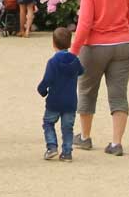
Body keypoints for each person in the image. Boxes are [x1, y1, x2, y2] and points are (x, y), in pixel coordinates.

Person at [69, 0, 129, 157]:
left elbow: (85, 23)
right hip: (124, 45)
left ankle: (85, 137)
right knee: (118, 94)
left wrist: (73, 51)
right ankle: (116, 143)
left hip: (96, 46)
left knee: (87, 90)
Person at [38, 27, 84, 162]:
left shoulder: (53, 62)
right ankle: (67, 152)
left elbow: (47, 80)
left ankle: (52, 147)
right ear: (70, 43)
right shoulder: (74, 60)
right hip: (70, 101)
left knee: (48, 123)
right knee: (67, 127)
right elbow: (81, 71)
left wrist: (42, 90)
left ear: (53, 43)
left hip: (54, 100)